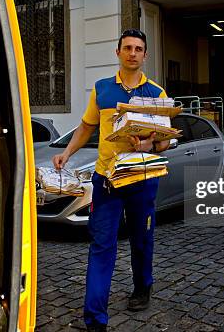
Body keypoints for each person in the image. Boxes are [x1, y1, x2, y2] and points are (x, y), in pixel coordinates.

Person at [52, 29, 170, 332]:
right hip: (107, 180)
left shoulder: (157, 94)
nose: (133, 53)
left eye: (138, 48)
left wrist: (150, 145)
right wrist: (66, 152)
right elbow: (86, 126)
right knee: (101, 245)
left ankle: (142, 287)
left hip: (142, 180)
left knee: (142, 240)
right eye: (127, 47)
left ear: (145, 55)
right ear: (118, 52)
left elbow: (165, 143)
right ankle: (95, 320)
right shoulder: (102, 89)